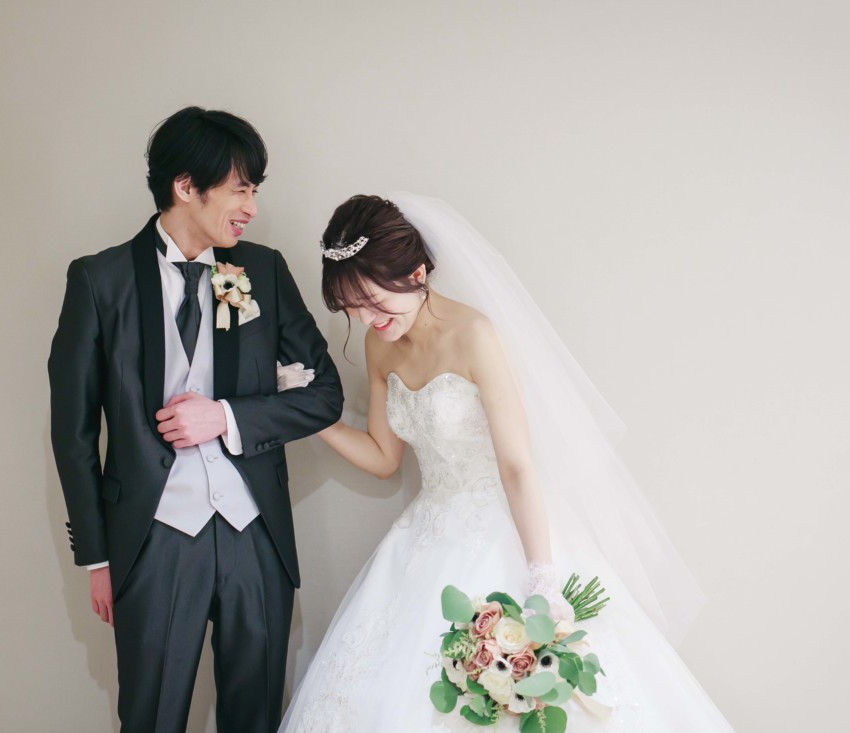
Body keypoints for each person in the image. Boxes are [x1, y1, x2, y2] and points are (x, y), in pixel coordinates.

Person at [278, 193, 733, 731]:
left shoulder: (475, 335)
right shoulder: (380, 345)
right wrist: (307, 414)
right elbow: (383, 459)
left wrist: (541, 576)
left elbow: (517, 466)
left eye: (374, 302)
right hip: (426, 534)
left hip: (505, 525)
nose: (365, 319)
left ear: (417, 274)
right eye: (351, 308)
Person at [48, 107, 343, 733]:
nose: (251, 208)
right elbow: (72, 433)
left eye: (254, 191)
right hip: (151, 539)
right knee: (151, 718)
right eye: (241, 189)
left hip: (255, 532)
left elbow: (325, 395)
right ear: (186, 186)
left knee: (256, 716)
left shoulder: (262, 269)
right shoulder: (100, 281)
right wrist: (97, 558)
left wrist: (226, 416)